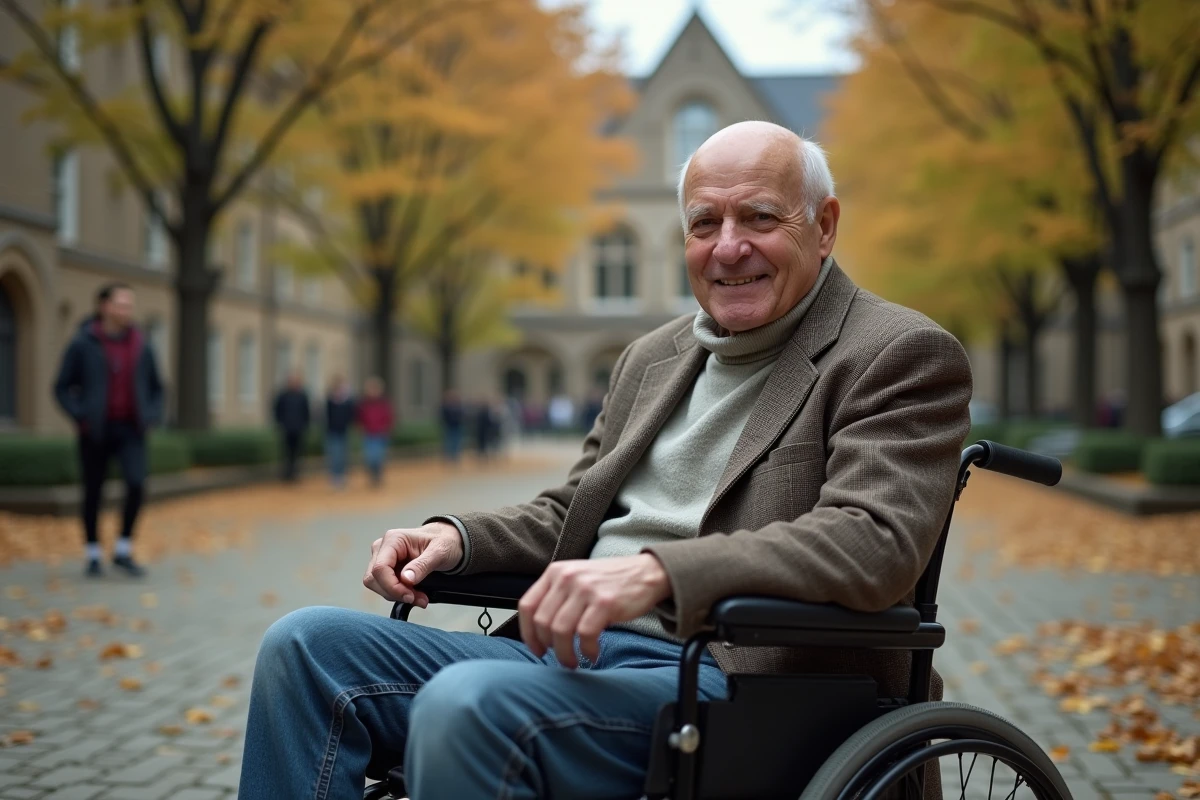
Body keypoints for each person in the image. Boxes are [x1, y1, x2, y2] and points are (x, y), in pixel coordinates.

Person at [239, 121, 972, 799]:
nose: (727, 246)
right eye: (704, 223)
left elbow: (875, 543)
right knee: (304, 647)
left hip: (741, 681)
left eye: (758, 217)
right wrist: (456, 539)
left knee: (469, 707)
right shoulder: (651, 359)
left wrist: (658, 574)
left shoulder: (896, 353)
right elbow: (573, 512)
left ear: (824, 226)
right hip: (574, 659)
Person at [54, 282, 164, 578]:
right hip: (95, 430)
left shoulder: (142, 344)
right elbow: (62, 387)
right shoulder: (82, 342)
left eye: (130, 305)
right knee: (93, 491)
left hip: (131, 429)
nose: (127, 310)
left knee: (137, 484)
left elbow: (157, 387)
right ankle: (92, 553)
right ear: (104, 306)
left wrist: (151, 415)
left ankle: (123, 549)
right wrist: (82, 417)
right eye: (121, 304)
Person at [273, 372, 310, 483]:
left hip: (298, 429)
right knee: (286, 452)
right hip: (287, 429)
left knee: (297, 453)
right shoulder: (283, 396)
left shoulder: (302, 396)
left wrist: (305, 425)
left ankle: (295, 474)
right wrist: (280, 423)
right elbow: (277, 410)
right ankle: (286, 474)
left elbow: (306, 412)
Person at [357, 376, 393, 487]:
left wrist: (386, 428)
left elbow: (389, 417)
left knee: (379, 456)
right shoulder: (364, 403)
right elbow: (359, 417)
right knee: (369, 457)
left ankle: (378, 476)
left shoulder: (384, 403)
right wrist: (360, 427)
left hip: (380, 433)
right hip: (368, 433)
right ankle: (372, 475)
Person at [324, 375, 356, 489]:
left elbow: (352, 415)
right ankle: (334, 476)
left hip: (344, 431)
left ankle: (341, 475)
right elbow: (326, 415)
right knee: (334, 454)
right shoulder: (330, 400)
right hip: (332, 431)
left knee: (342, 454)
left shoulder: (348, 400)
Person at [439, 389, 465, 464]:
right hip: (448, 426)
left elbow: (462, 416)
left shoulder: (459, 406)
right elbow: (442, 416)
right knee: (448, 441)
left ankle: (455, 457)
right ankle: (448, 457)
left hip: (457, 426)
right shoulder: (445, 407)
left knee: (457, 442)